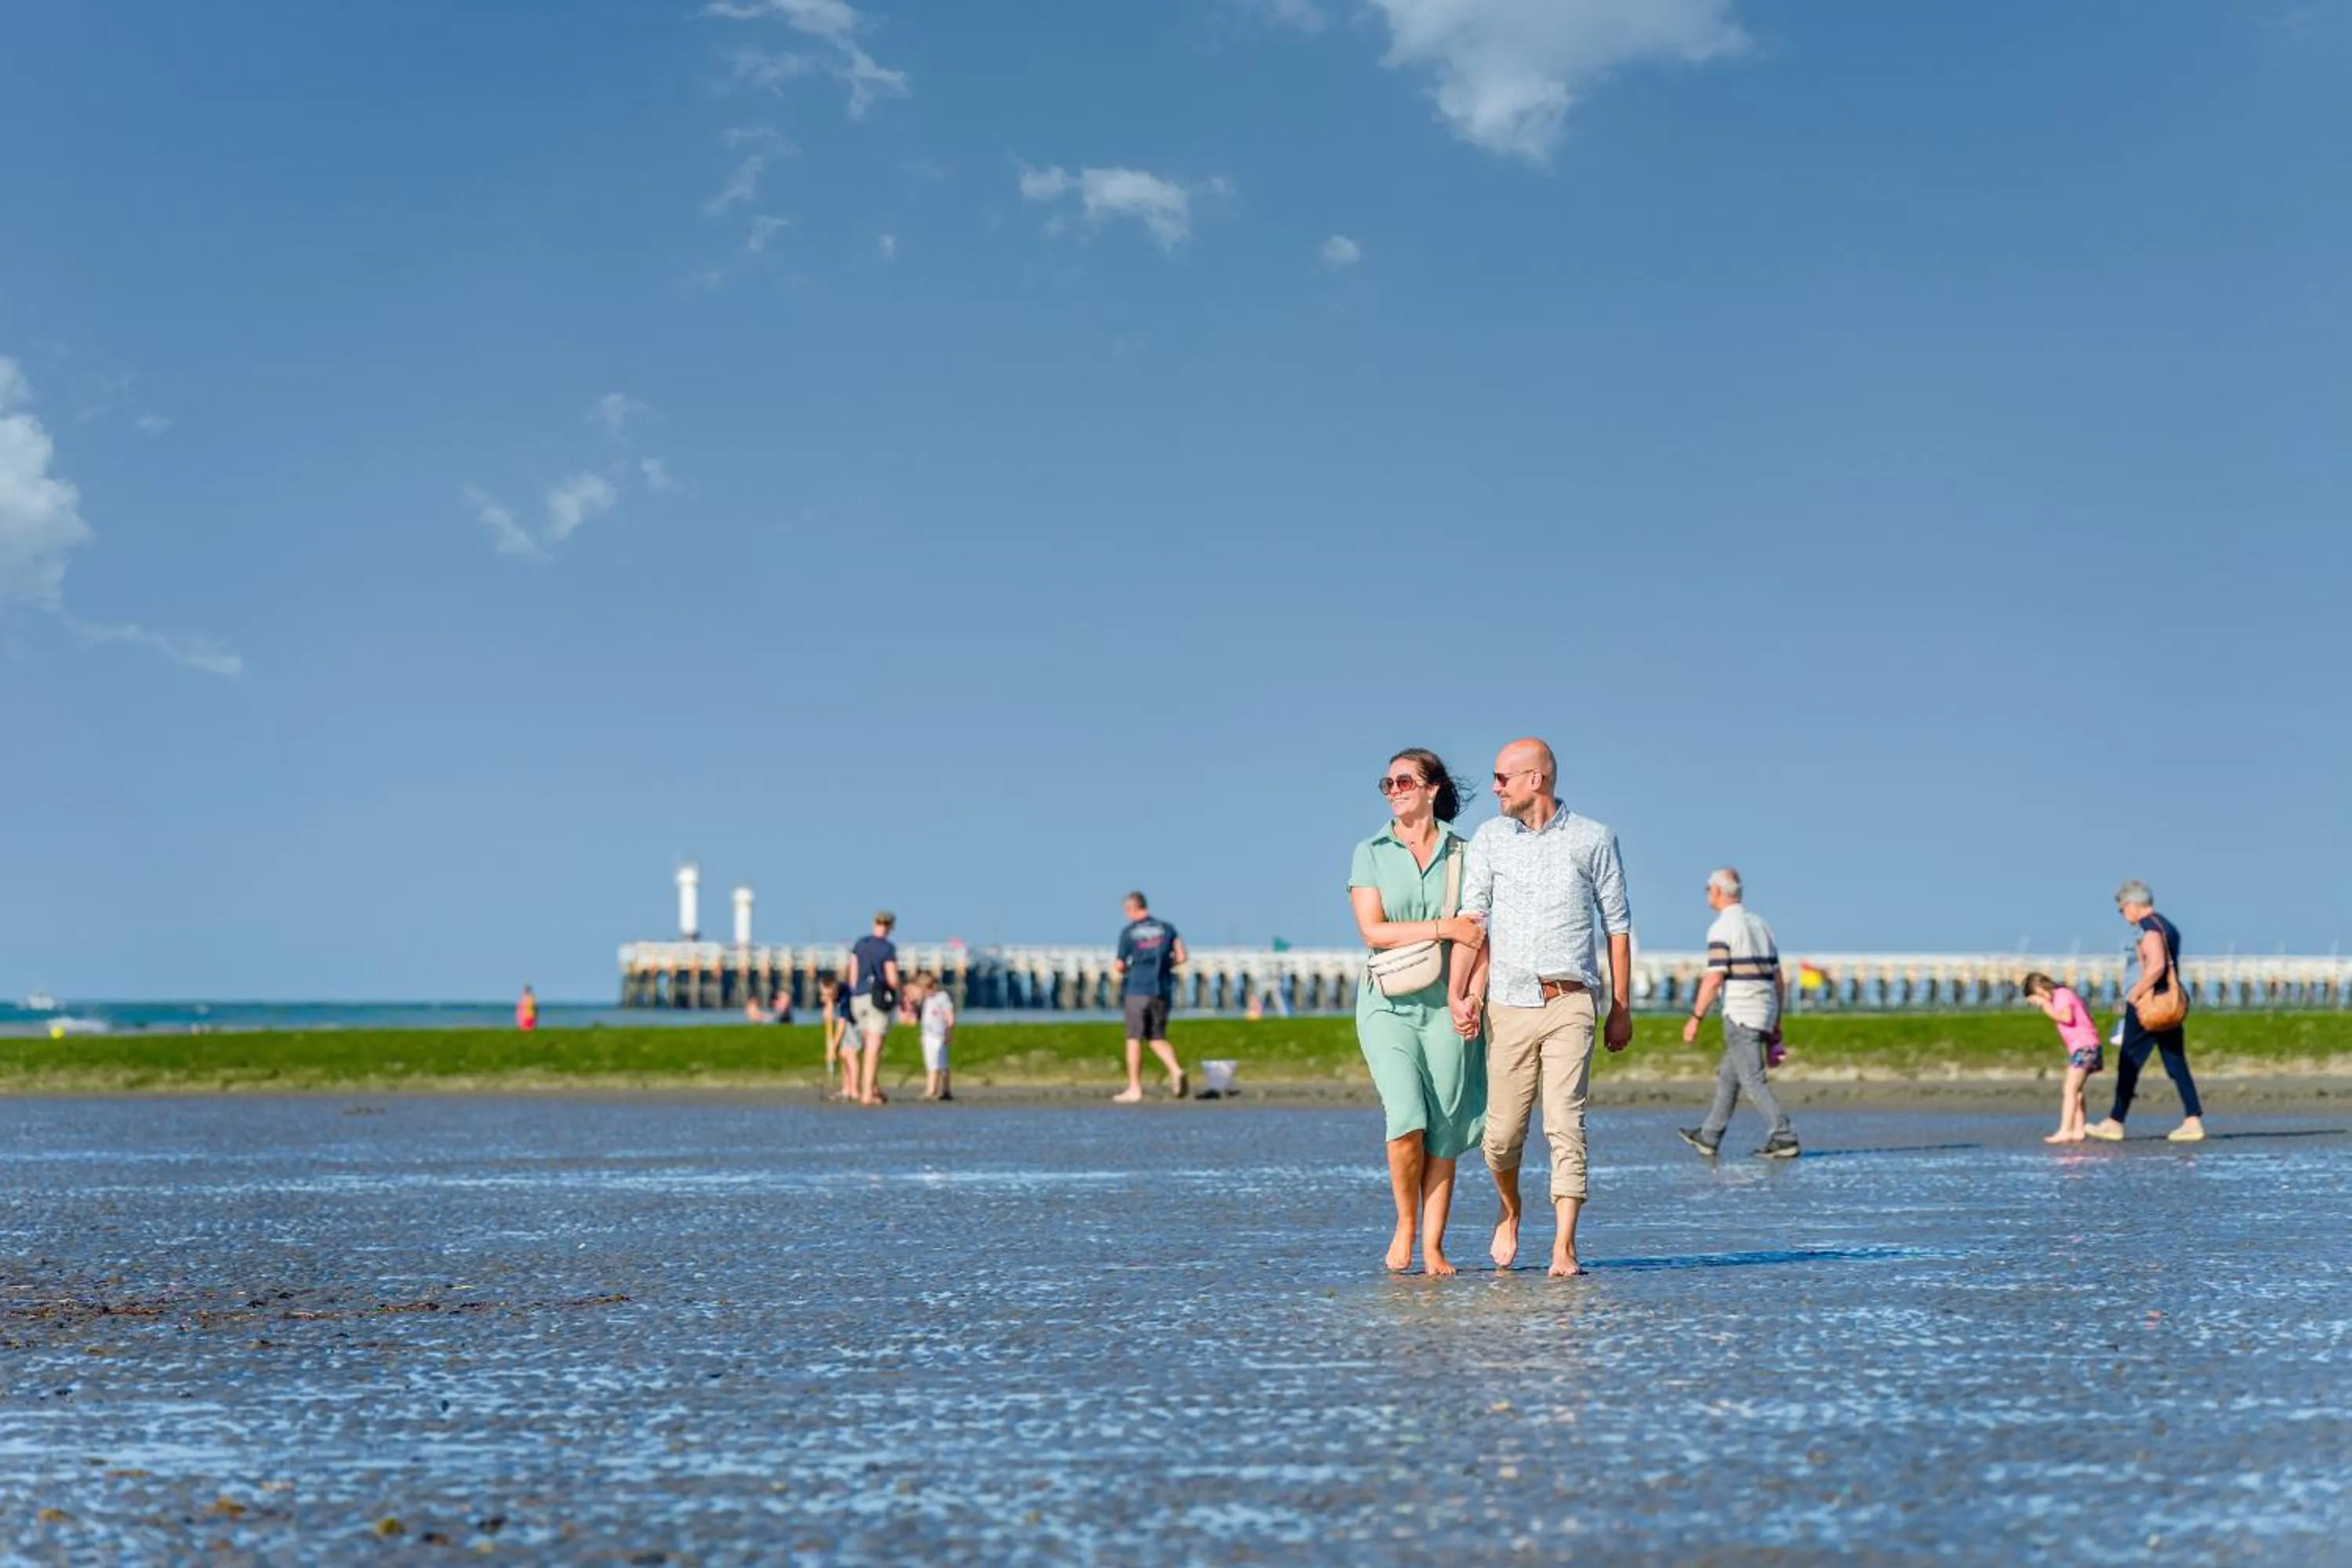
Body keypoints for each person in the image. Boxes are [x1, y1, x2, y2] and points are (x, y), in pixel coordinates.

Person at [1450, 738, 1634, 1278]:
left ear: (1537, 779)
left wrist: (1621, 1006)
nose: (1494, 787)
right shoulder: (1489, 839)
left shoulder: (1594, 838)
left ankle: (1564, 1246)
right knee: (1501, 1137)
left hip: (1571, 1002)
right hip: (1507, 1005)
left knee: (1564, 1122)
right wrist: (1459, 993)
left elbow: (1617, 924)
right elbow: (1473, 920)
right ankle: (1511, 1209)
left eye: (1502, 778)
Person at [1350, 747, 1489, 1276]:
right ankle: (1405, 1222)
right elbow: (1372, 931)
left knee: (1447, 1128)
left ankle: (1433, 1245)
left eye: (1404, 782)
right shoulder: (1371, 851)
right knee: (1406, 1116)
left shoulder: (1467, 853)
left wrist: (1472, 996)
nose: (1394, 791)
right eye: (1387, 784)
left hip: (1449, 1003)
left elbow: (1480, 937)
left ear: (1432, 789)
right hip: (1387, 1003)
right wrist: (1441, 928)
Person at [1677, 869, 1799, 1159]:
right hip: (1764, 1009)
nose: (1707, 893)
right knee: (1729, 1076)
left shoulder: (1722, 928)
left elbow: (1714, 978)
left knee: (1753, 1079)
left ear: (1718, 892)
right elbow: (1778, 978)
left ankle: (1783, 1136)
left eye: (1708, 888)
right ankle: (1709, 1136)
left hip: (1741, 1013)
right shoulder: (1761, 925)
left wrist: (1695, 1018)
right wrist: (1777, 1019)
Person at [2085, 881, 2205, 1142]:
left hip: (2147, 1006)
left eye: (2121, 909)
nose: (2123, 915)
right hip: (2168, 1005)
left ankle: (2114, 1122)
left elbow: (2157, 965)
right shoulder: (2168, 926)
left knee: (2129, 1063)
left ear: (2131, 905)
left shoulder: (2148, 928)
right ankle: (2193, 1119)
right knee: (2175, 1062)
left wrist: (2134, 993)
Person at [1112, 892, 1188, 1103]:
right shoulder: (1168, 929)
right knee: (1157, 1037)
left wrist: (1127, 969)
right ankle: (1175, 1069)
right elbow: (1182, 956)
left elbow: (1119, 965)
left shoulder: (1129, 933)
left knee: (1134, 1038)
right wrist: (1165, 966)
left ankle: (1135, 1088)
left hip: (1137, 989)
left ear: (1130, 909)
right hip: (1161, 989)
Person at [2023, 971, 2103, 1143]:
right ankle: (2078, 1130)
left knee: (2069, 1089)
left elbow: (2066, 1017)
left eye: (2035, 999)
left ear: (2039, 989)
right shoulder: (2063, 995)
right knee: (2077, 1090)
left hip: (2085, 1047)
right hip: (2086, 1047)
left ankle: (2065, 1130)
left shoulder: (2061, 995)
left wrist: (2045, 1005)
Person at [846, 911, 902, 1107]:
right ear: (891, 927)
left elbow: (852, 972)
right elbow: (892, 978)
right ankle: (867, 1093)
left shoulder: (861, 944)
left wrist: (855, 992)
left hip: (858, 998)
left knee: (866, 1045)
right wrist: (901, 992)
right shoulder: (887, 948)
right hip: (877, 999)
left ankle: (872, 1088)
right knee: (874, 1048)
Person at [914, 971, 956, 1102]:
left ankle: (942, 1089)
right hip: (928, 1035)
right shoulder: (927, 1000)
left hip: (940, 1036)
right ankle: (931, 1089)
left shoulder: (942, 997)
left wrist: (949, 1033)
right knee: (931, 1064)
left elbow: (949, 1017)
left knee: (941, 1064)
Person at [817, 977, 851, 1098]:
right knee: (843, 1053)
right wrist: (828, 1007)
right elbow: (829, 1007)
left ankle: (852, 1089)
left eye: (829, 994)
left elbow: (842, 1023)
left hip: (854, 1020)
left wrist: (833, 1047)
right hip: (844, 1018)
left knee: (847, 1053)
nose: (825, 997)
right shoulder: (829, 993)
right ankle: (846, 1088)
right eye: (823, 994)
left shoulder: (846, 996)